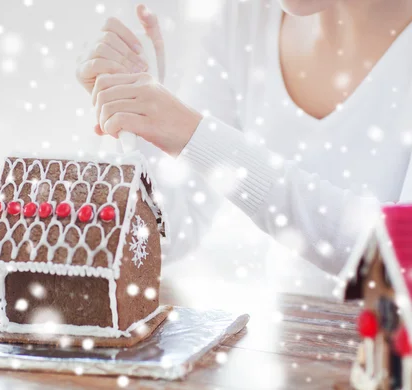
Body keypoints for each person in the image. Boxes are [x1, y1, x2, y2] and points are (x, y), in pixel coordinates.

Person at [75, 1, 412, 286]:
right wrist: (135, 126)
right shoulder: (245, 17)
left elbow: (394, 258)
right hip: (292, 351)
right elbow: (168, 238)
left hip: (390, 354)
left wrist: (197, 138)